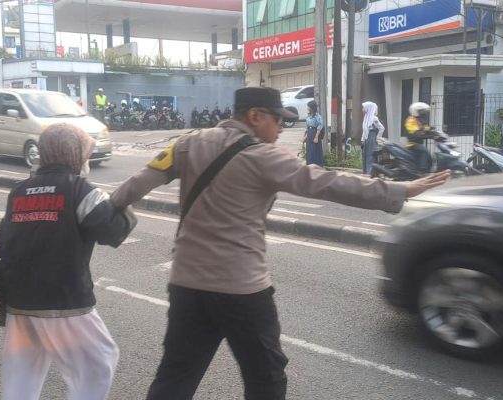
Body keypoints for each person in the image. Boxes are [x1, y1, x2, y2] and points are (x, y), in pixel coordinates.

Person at [110, 87, 451, 400]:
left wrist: (106, 209)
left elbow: (138, 182)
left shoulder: (187, 143)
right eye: (277, 122)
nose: (279, 131)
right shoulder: (263, 156)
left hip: (187, 284)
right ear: (255, 116)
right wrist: (399, 190)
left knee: (175, 378)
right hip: (241, 289)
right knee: (266, 379)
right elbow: (326, 182)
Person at [0, 123, 137, 400]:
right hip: (65, 301)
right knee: (98, 363)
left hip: (19, 301)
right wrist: (123, 203)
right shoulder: (79, 190)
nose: (86, 160)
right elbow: (114, 231)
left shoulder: (19, 191)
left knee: (21, 376)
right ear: (74, 153)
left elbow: (4, 241)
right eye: (85, 153)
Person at [404, 102, 434, 172]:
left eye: (423, 111)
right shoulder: (410, 120)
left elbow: (426, 128)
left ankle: (428, 169)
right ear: (415, 111)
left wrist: (433, 131)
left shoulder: (421, 120)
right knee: (424, 152)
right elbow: (415, 133)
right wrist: (427, 135)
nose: (423, 113)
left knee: (428, 155)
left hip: (418, 143)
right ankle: (422, 171)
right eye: (421, 111)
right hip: (412, 143)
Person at [361, 101, 385, 175]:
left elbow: (382, 128)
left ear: (369, 108)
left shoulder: (374, 118)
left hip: (372, 138)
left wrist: (378, 138)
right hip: (366, 139)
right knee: (365, 156)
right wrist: (362, 140)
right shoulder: (366, 118)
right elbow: (365, 130)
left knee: (370, 156)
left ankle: (370, 173)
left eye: (364, 107)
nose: (362, 109)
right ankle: (366, 172)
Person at [302, 100, 324, 166]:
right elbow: (307, 127)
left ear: (312, 107)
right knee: (309, 151)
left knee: (315, 151)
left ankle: (317, 166)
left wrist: (316, 137)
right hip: (309, 134)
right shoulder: (308, 116)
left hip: (315, 133)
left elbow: (320, 126)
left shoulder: (318, 116)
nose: (307, 108)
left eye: (308, 107)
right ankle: (309, 165)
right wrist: (304, 137)